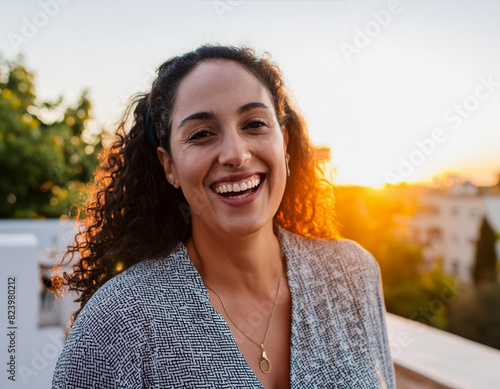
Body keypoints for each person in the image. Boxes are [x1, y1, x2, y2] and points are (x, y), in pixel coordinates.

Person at [52, 44, 396, 389]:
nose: (235, 154)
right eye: (202, 134)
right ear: (168, 165)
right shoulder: (117, 322)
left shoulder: (353, 276)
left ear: (284, 142)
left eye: (255, 124)